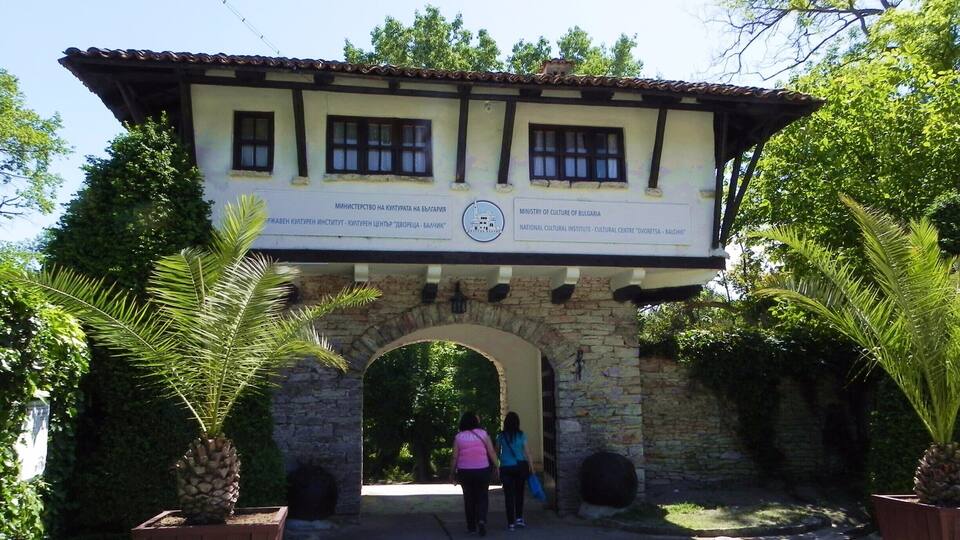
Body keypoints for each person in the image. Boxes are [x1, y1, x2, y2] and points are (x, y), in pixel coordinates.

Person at [450, 411, 499, 536]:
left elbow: (454, 457)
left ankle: (471, 526)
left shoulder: (459, 437)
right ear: (476, 422)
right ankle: (481, 520)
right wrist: (497, 466)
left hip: (465, 471)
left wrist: (452, 472)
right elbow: (491, 452)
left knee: (469, 498)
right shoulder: (484, 434)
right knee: (482, 496)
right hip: (482, 470)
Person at [496, 411, 534, 531]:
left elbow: (496, 452)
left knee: (508, 495)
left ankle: (510, 523)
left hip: (506, 467)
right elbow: (527, 452)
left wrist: (496, 466)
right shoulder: (521, 435)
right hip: (520, 467)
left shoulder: (501, 436)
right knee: (519, 493)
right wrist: (532, 467)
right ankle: (519, 518)